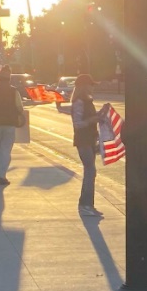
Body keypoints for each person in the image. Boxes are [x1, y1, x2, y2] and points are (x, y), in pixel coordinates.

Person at [59, 73, 105, 217]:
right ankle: (85, 204)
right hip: (83, 140)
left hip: (90, 139)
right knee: (90, 170)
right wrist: (93, 119)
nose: (93, 88)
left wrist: (100, 114)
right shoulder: (79, 101)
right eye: (91, 85)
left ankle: (87, 204)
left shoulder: (87, 101)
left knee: (91, 171)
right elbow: (78, 123)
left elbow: (89, 117)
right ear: (84, 86)